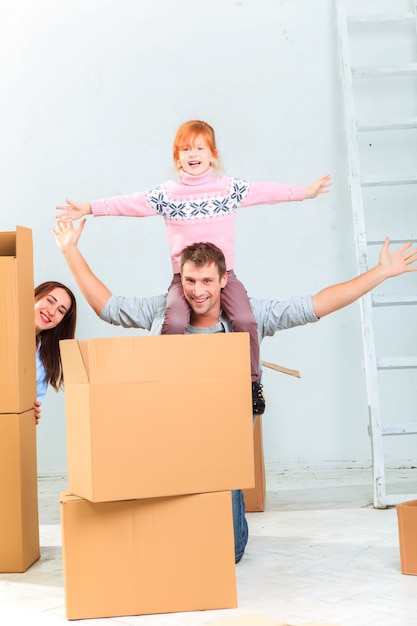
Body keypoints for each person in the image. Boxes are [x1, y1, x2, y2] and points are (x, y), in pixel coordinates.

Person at [52, 219, 417, 563]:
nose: (198, 291)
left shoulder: (249, 316)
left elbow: (315, 304)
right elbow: (107, 307)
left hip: (222, 444)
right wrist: (70, 251)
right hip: (169, 435)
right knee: (171, 540)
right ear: (180, 279)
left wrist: (380, 272)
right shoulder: (161, 312)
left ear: (224, 279)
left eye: (207, 281)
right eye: (190, 281)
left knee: (229, 551)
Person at [55, 119, 332, 417]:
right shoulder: (168, 194)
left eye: (200, 147)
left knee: (245, 319)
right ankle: (167, 380)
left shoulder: (229, 189)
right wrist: (89, 208)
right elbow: (130, 203)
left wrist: (305, 192)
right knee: (173, 323)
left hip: (224, 278)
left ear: (213, 155)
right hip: (184, 278)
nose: (193, 154)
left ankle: (252, 384)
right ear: (177, 158)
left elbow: (267, 192)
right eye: (185, 149)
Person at [34, 281, 77, 425]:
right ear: (35, 296)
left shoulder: (44, 361)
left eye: (61, 311)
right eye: (50, 301)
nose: (51, 311)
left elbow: (28, 407)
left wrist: (29, 412)